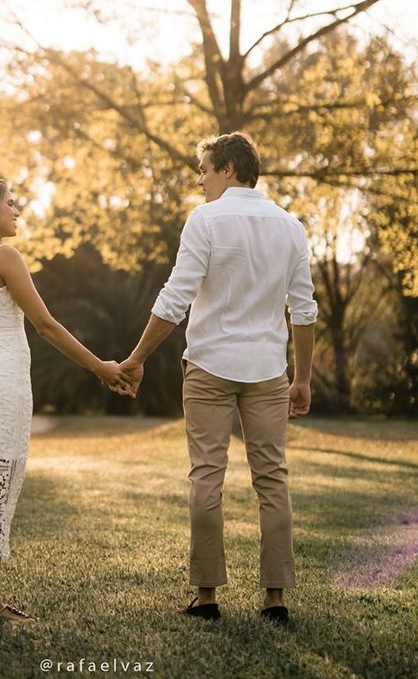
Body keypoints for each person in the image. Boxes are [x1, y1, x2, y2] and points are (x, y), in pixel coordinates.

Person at [116, 131, 316, 624]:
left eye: (204, 169)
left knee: (207, 475)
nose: (200, 180)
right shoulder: (291, 226)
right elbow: (304, 310)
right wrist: (303, 379)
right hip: (269, 370)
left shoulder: (205, 220)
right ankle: (275, 600)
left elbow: (175, 297)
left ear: (229, 168)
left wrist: (137, 356)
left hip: (208, 367)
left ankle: (207, 598)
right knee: (273, 480)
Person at [0, 177, 132, 623]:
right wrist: (100, 366)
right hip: (2, 377)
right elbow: (45, 325)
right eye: (10, 204)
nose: (16, 211)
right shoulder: (4, 256)